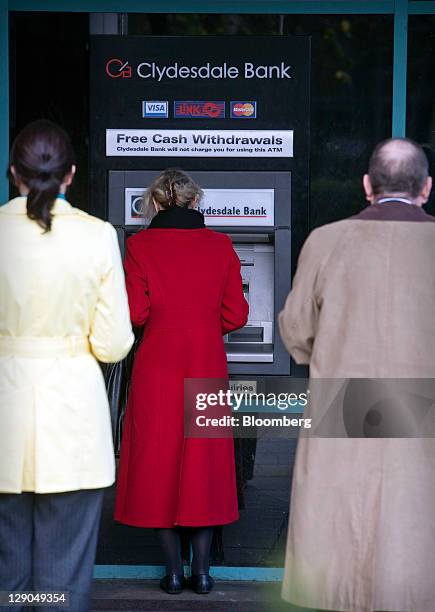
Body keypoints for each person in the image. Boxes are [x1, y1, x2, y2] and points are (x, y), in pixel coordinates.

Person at [279, 138, 435, 612]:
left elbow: (296, 331)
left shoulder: (327, 240)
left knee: (340, 536)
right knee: (411, 537)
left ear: (367, 186)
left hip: (343, 401)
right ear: (426, 188)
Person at [0, 120, 134, 612]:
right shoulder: (97, 237)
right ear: (71, 175)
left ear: (13, 172)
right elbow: (115, 343)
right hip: (73, 424)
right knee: (61, 580)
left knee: (6, 579)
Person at [114, 168, 248, 595]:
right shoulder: (221, 245)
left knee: (159, 463)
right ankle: (203, 573)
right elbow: (236, 315)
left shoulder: (139, 246)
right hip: (206, 364)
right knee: (203, 465)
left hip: (157, 367)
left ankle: (173, 574)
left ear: (154, 204)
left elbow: (135, 314)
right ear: (196, 202)